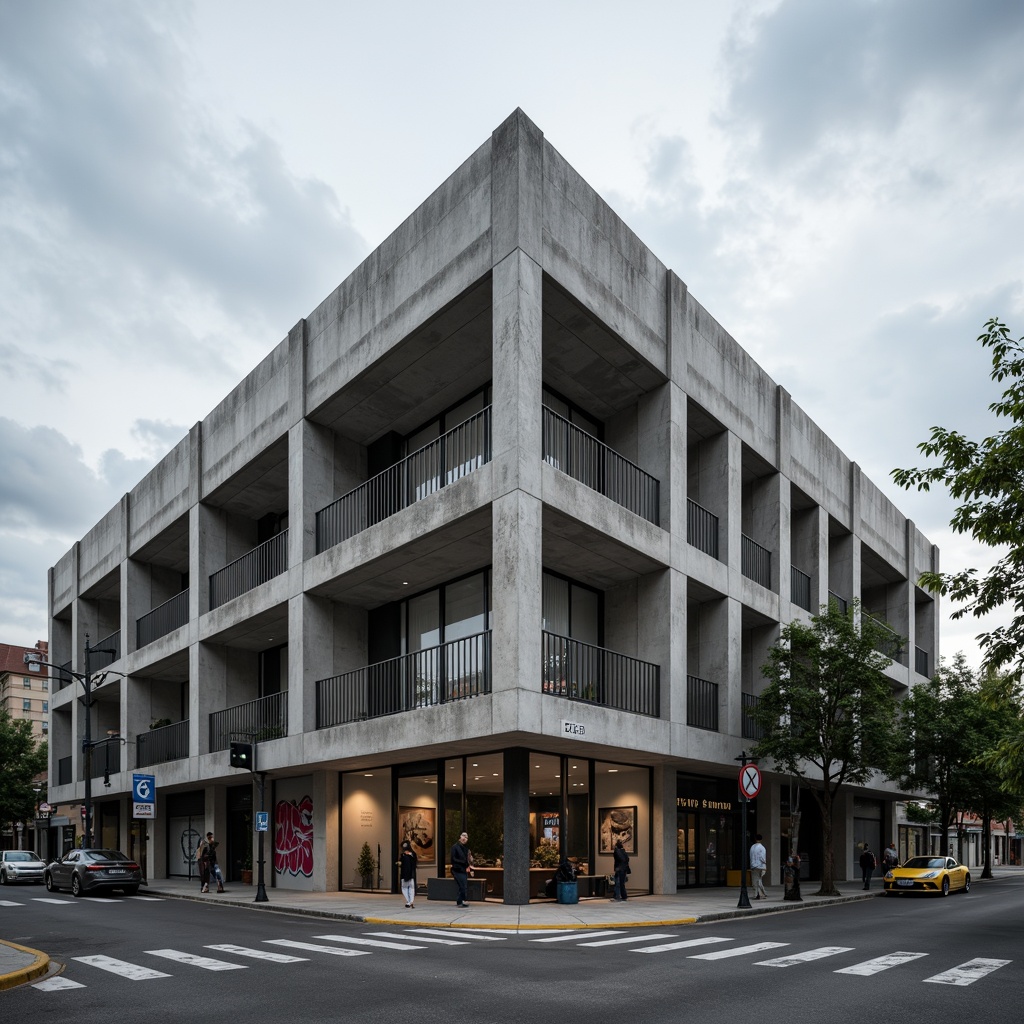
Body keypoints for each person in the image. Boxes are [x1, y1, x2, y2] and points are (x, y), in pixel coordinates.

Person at [450, 831, 473, 908]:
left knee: (463, 886)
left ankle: (460, 901)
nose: (464, 838)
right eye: (463, 836)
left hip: (463, 870)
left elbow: (468, 860)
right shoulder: (455, 847)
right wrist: (464, 862)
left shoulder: (466, 849)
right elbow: (453, 859)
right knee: (462, 885)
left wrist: (469, 862)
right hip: (457, 870)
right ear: (460, 837)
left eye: (466, 837)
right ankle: (462, 900)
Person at [399, 839, 418, 909]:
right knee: (409, 888)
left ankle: (409, 901)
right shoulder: (412, 855)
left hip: (406, 875)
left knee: (406, 888)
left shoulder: (404, 856)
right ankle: (410, 901)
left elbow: (401, 863)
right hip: (409, 875)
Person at [749, 833, 768, 899]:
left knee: (755, 880)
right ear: (761, 839)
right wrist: (765, 865)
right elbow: (762, 858)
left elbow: (751, 856)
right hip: (761, 866)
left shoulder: (752, 847)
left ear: (755, 839)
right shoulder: (762, 848)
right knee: (759, 880)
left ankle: (758, 893)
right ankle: (762, 893)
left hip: (753, 866)